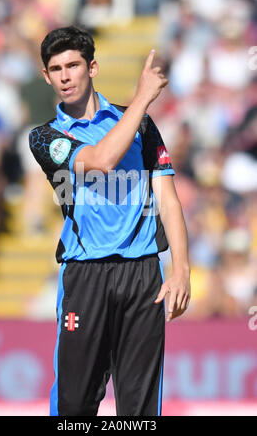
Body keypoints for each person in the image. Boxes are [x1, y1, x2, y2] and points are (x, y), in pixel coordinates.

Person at [29, 26, 190, 416]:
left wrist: (182, 270)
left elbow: (167, 198)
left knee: (139, 410)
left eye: (73, 65)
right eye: (56, 69)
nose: (65, 76)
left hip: (142, 276)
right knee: (74, 406)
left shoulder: (142, 126)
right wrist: (142, 100)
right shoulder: (45, 136)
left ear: (93, 67)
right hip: (85, 276)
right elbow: (101, 160)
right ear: (47, 77)